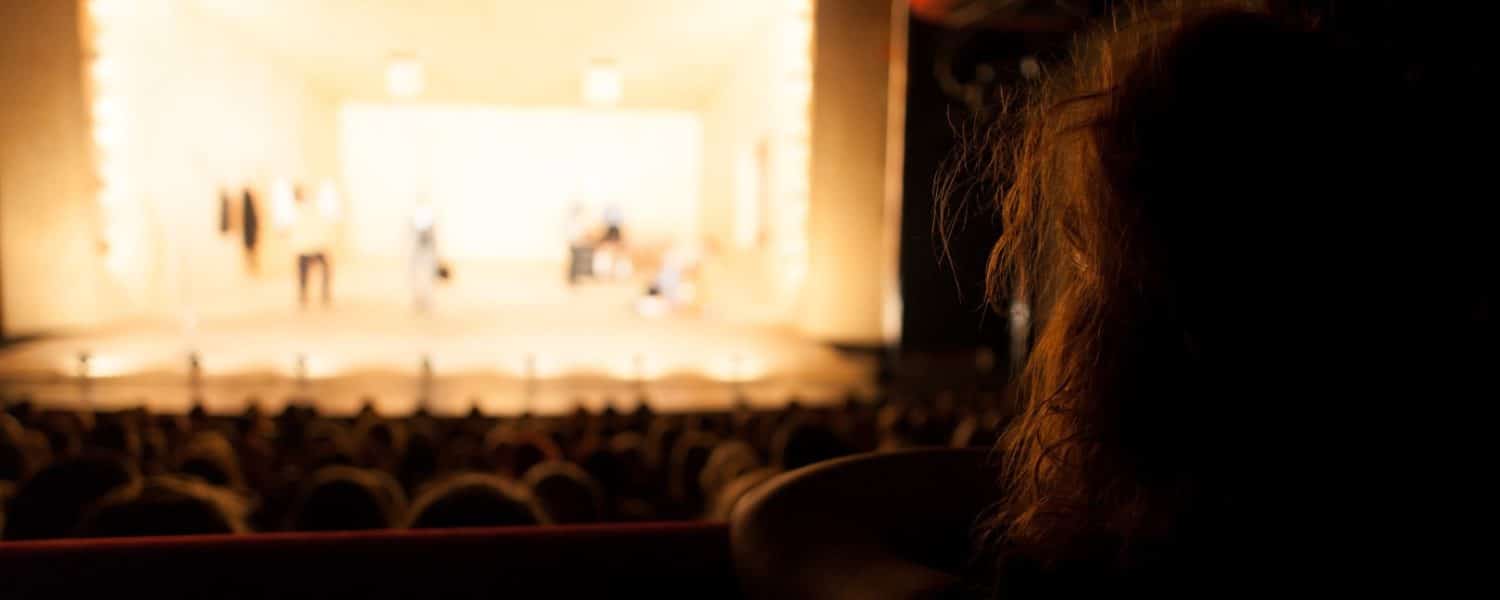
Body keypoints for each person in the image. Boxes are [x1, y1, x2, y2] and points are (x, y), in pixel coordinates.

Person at [731, 1, 1490, 597]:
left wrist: (1060, 475)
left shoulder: (1099, 567)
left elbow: (789, 525)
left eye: (1090, 260)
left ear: (1144, 331)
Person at [289, 184, 333, 308]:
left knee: (321, 269)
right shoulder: (298, 210)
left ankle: (320, 292)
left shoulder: (310, 208)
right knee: (304, 272)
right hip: (305, 245)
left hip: (314, 244)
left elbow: (318, 226)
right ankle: (305, 293)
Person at [410, 200, 439, 313]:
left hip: (426, 250)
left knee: (426, 276)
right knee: (418, 275)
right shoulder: (417, 217)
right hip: (419, 250)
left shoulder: (427, 218)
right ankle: (420, 298)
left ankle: (425, 299)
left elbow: (433, 235)